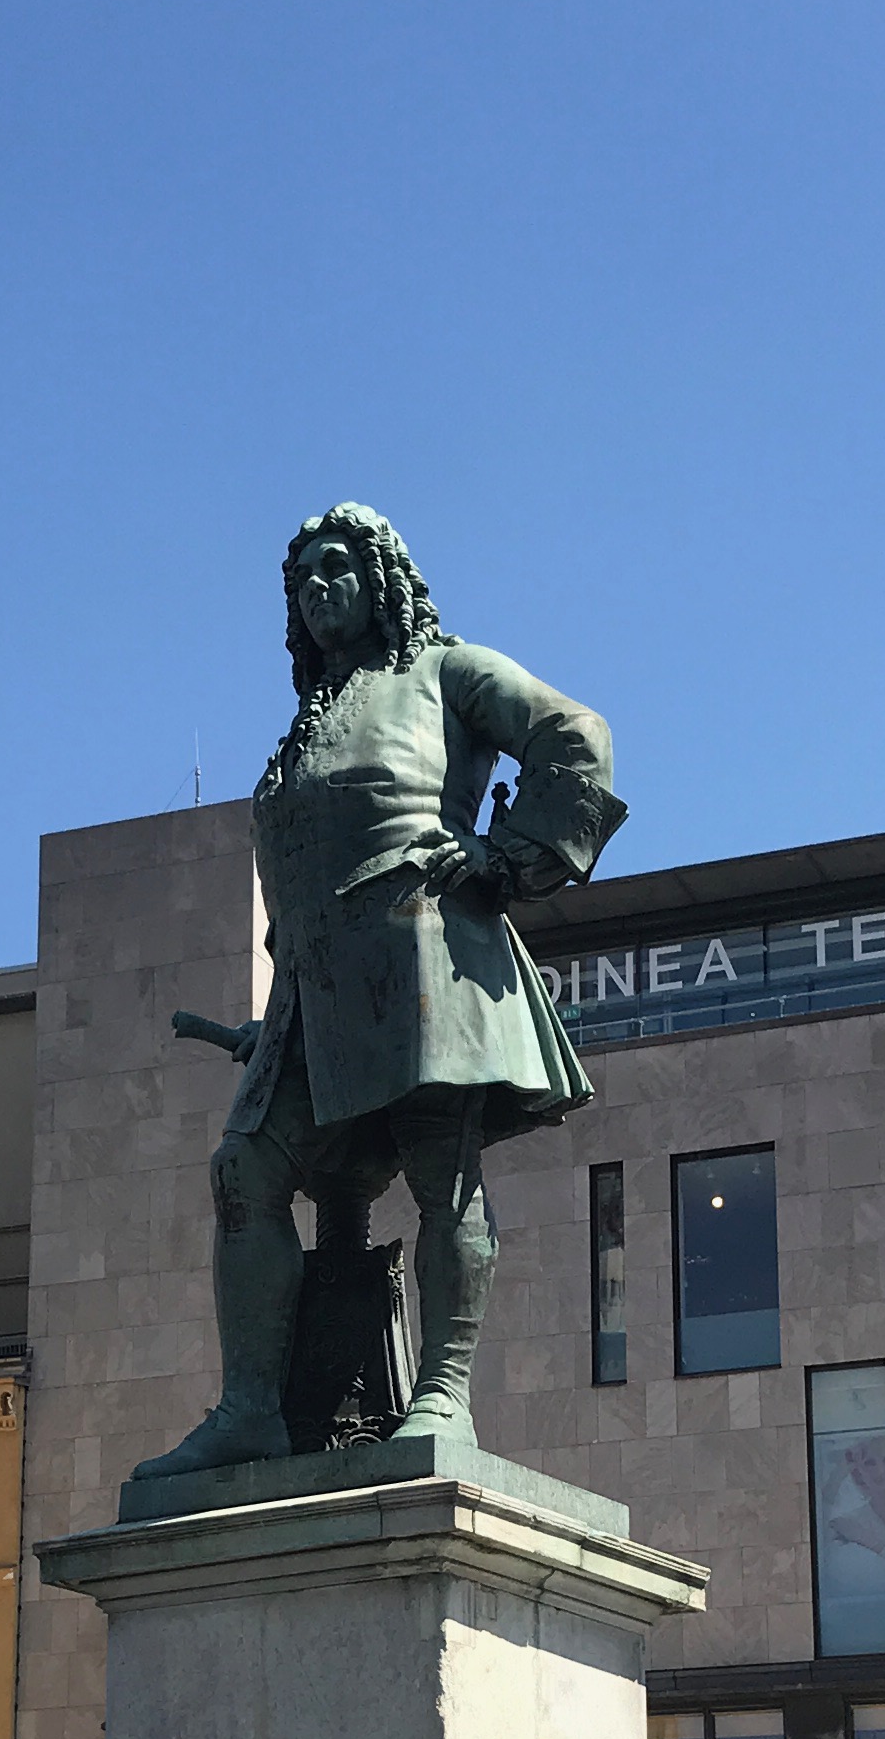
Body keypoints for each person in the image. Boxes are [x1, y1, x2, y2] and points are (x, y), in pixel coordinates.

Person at [133, 505, 624, 1476]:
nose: (316, 589)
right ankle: (251, 1408)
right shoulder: (307, 721)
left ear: (380, 574)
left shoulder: (442, 671)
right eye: (299, 580)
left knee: (441, 1173)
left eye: (334, 568)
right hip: (310, 993)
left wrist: (503, 859)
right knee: (245, 1170)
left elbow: (575, 734)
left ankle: (442, 1394)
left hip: (420, 952)